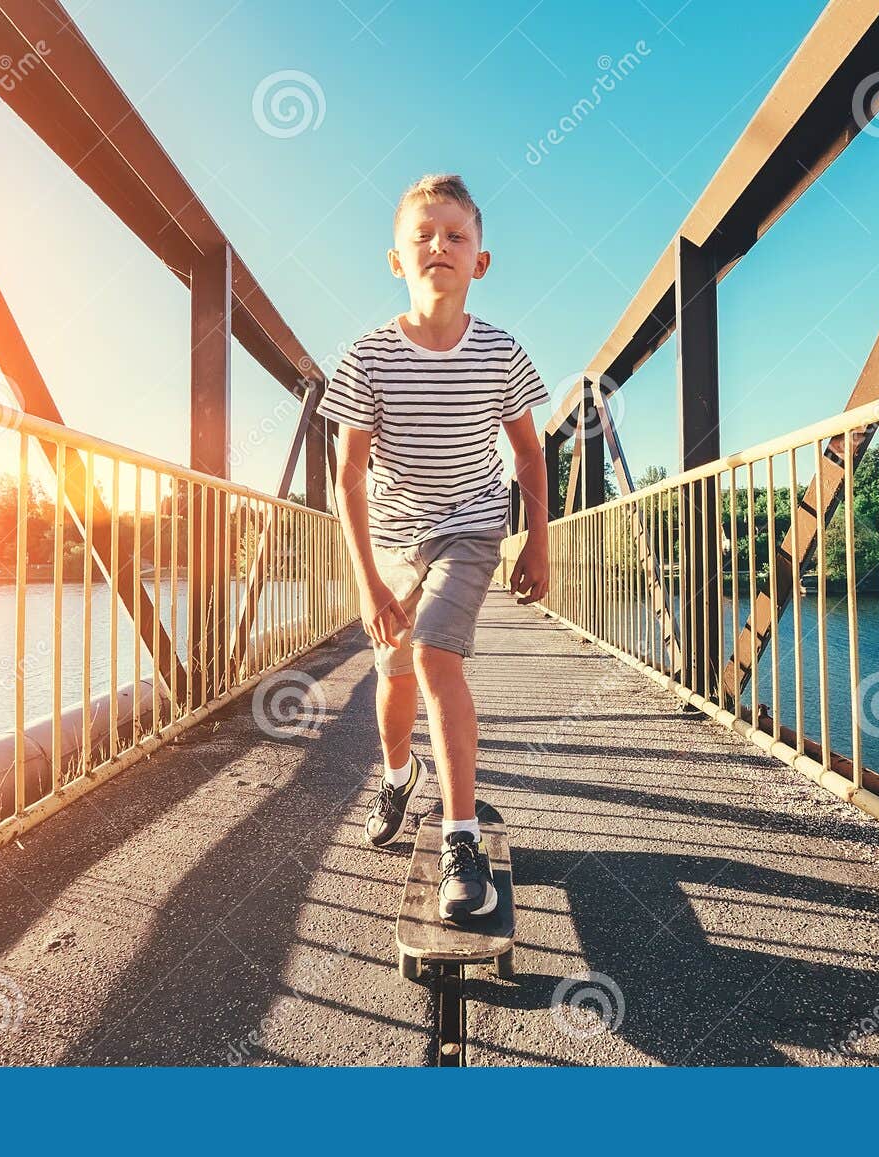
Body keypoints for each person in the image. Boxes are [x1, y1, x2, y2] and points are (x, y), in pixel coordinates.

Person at [317, 173, 551, 922]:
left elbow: (529, 455)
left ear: (480, 260)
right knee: (394, 673)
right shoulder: (367, 355)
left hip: (473, 522)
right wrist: (367, 583)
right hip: (390, 533)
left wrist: (535, 539)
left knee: (434, 655)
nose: (439, 246)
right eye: (423, 235)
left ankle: (461, 838)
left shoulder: (500, 352)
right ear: (396, 259)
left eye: (456, 235)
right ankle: (396, 773)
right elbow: (347, 472)